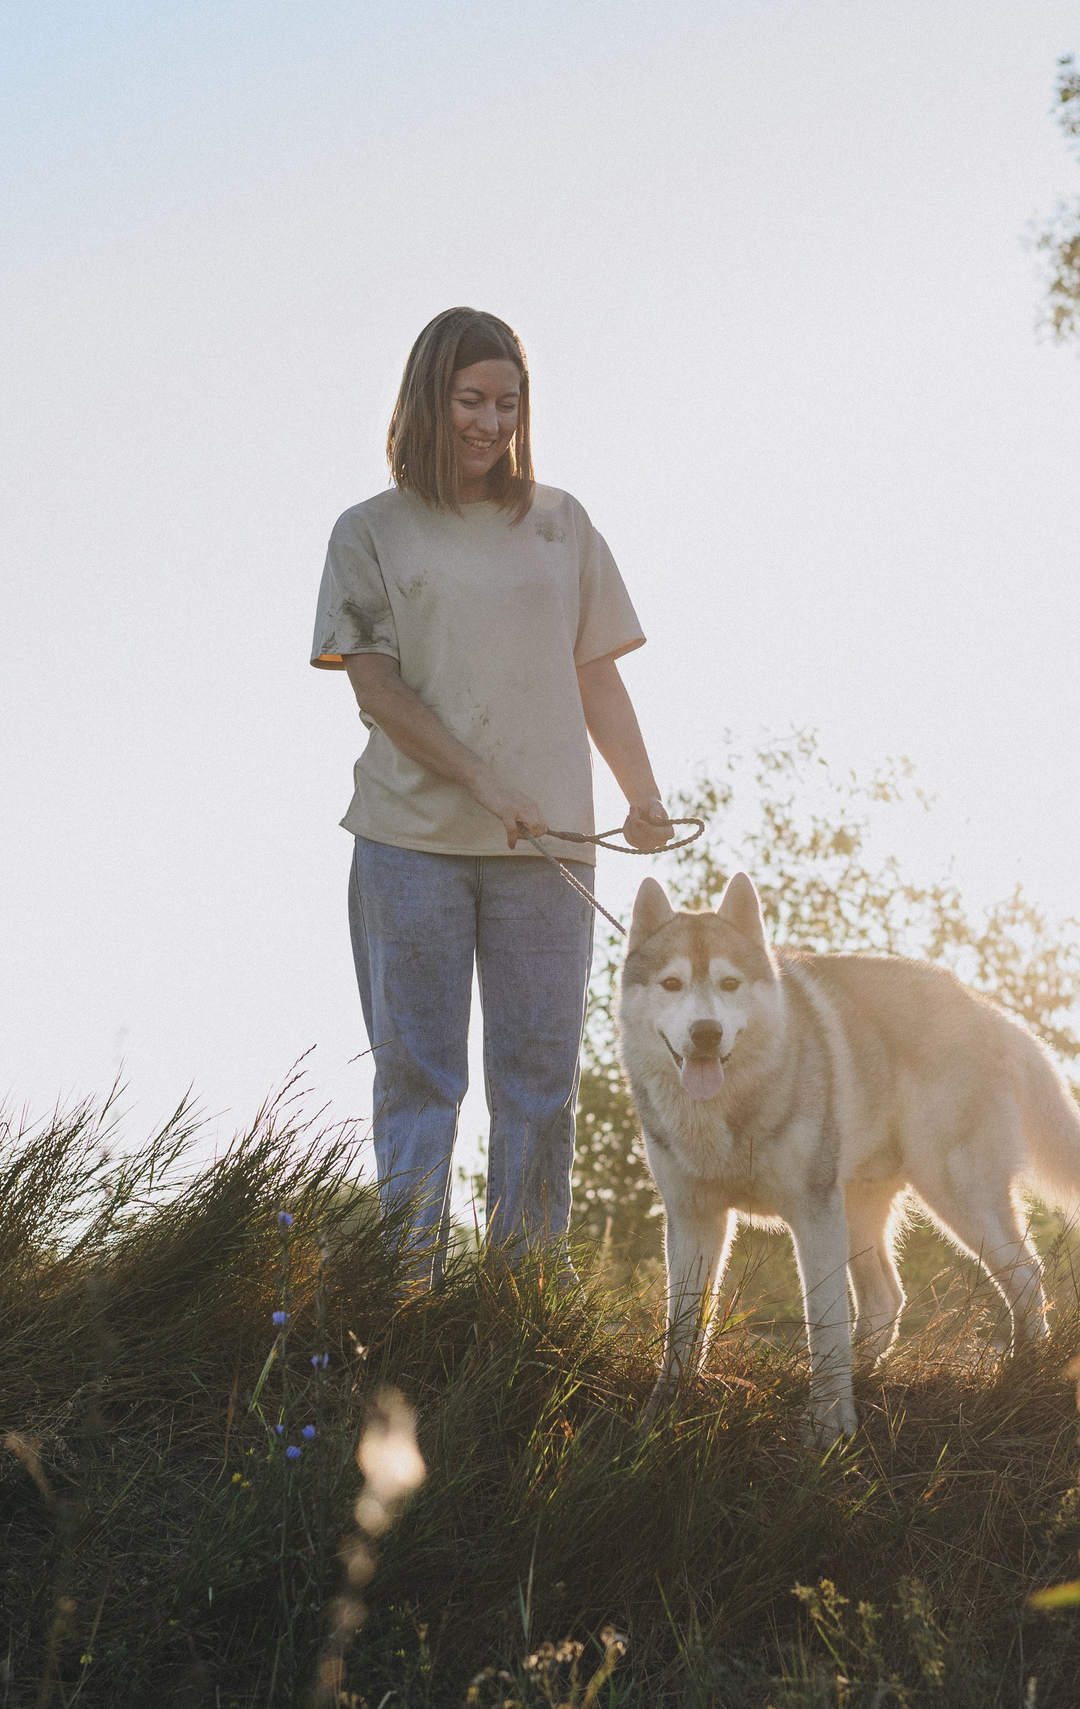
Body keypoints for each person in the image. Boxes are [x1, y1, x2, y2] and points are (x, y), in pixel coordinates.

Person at [312, 306, 672, 1279]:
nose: (489, 423)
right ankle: (412, 1291)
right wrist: (482, 781)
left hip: (549, 852)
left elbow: (595, 672)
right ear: (428, 398)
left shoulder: (560, 523)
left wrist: (642, 797)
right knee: (419, 1077)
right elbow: (376, 686)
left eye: (507, 404)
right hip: (409, 843)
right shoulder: (369, 532)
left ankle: (522, 1301)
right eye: (471, 400)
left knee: (538, 1085)